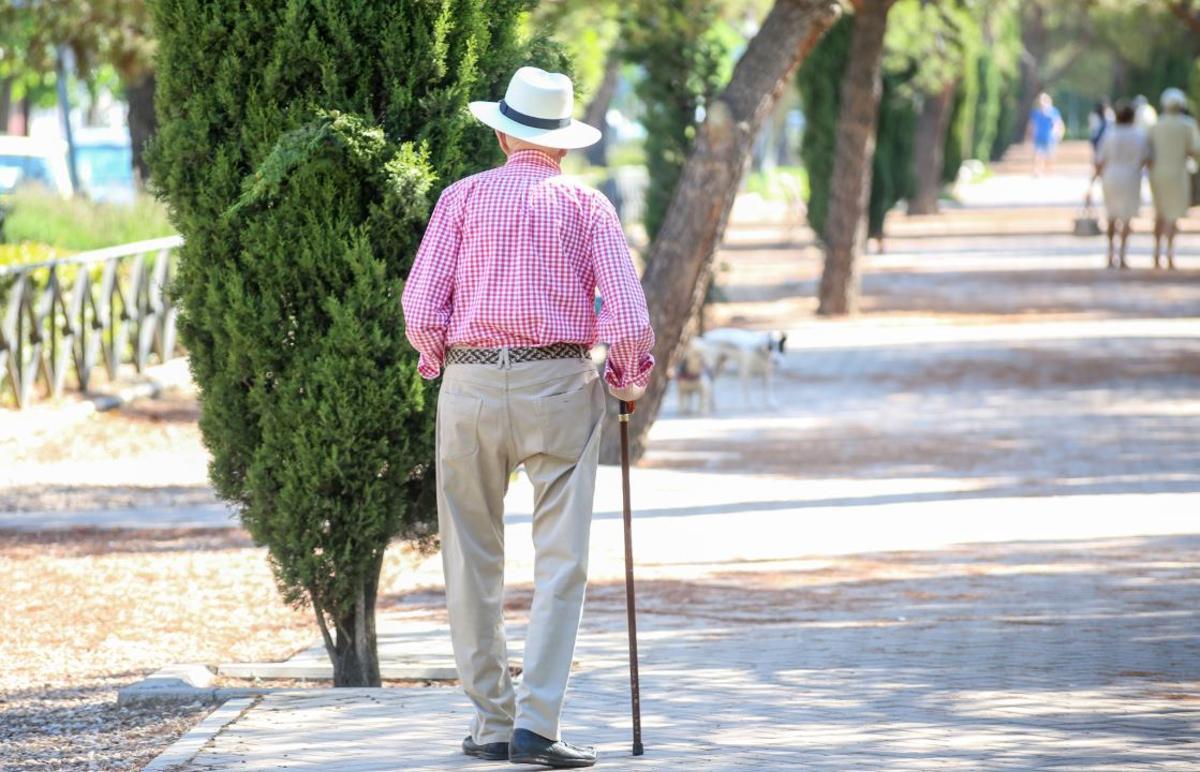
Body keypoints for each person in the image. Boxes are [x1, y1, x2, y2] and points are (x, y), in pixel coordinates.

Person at [402, 66, 654, 769]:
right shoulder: (588, 206)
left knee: (470, 557)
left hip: (471, 387)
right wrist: (628, 380)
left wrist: (441, 363)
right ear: (564, 143)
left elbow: (421, 310)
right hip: (560, 386)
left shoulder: (460, 198)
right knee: (562, 559)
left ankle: (489, 722)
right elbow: (629, 319)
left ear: (502, 131)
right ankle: (536, 725)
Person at [1148, 87, 1200, 269]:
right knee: (1172, 214)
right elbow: (1195, 150)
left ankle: (1156, 253)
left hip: (1157, 173)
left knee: (1160, 212)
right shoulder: (1187, 124)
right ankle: (1169, 254)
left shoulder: (1156, 125)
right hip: (1178, 173)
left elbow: (1148, 151)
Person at [1094, 102, 1149, 269]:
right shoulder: (1139, 135)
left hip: (1111, 176)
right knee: (1127, 218)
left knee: (1111, 216)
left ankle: (1111, 254)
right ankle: (1123, 255)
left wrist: (1096, 177)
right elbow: (1146, 158)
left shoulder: (1110, 134)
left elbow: (1100, 160)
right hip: (1131, 177)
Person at [1028, 92, 1065, 176]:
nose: (1042, 102)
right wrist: (1030, 134)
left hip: (1050, 137)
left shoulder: (1054, 112)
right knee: (1037, 154)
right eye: (1041, 100)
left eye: (1044, 100)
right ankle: (1036, 171)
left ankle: (1048, 170)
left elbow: (1059, 123)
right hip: (1038, 136)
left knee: (1050, 155)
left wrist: (1060, 134)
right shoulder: (1036, 112)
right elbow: (1031, 124)